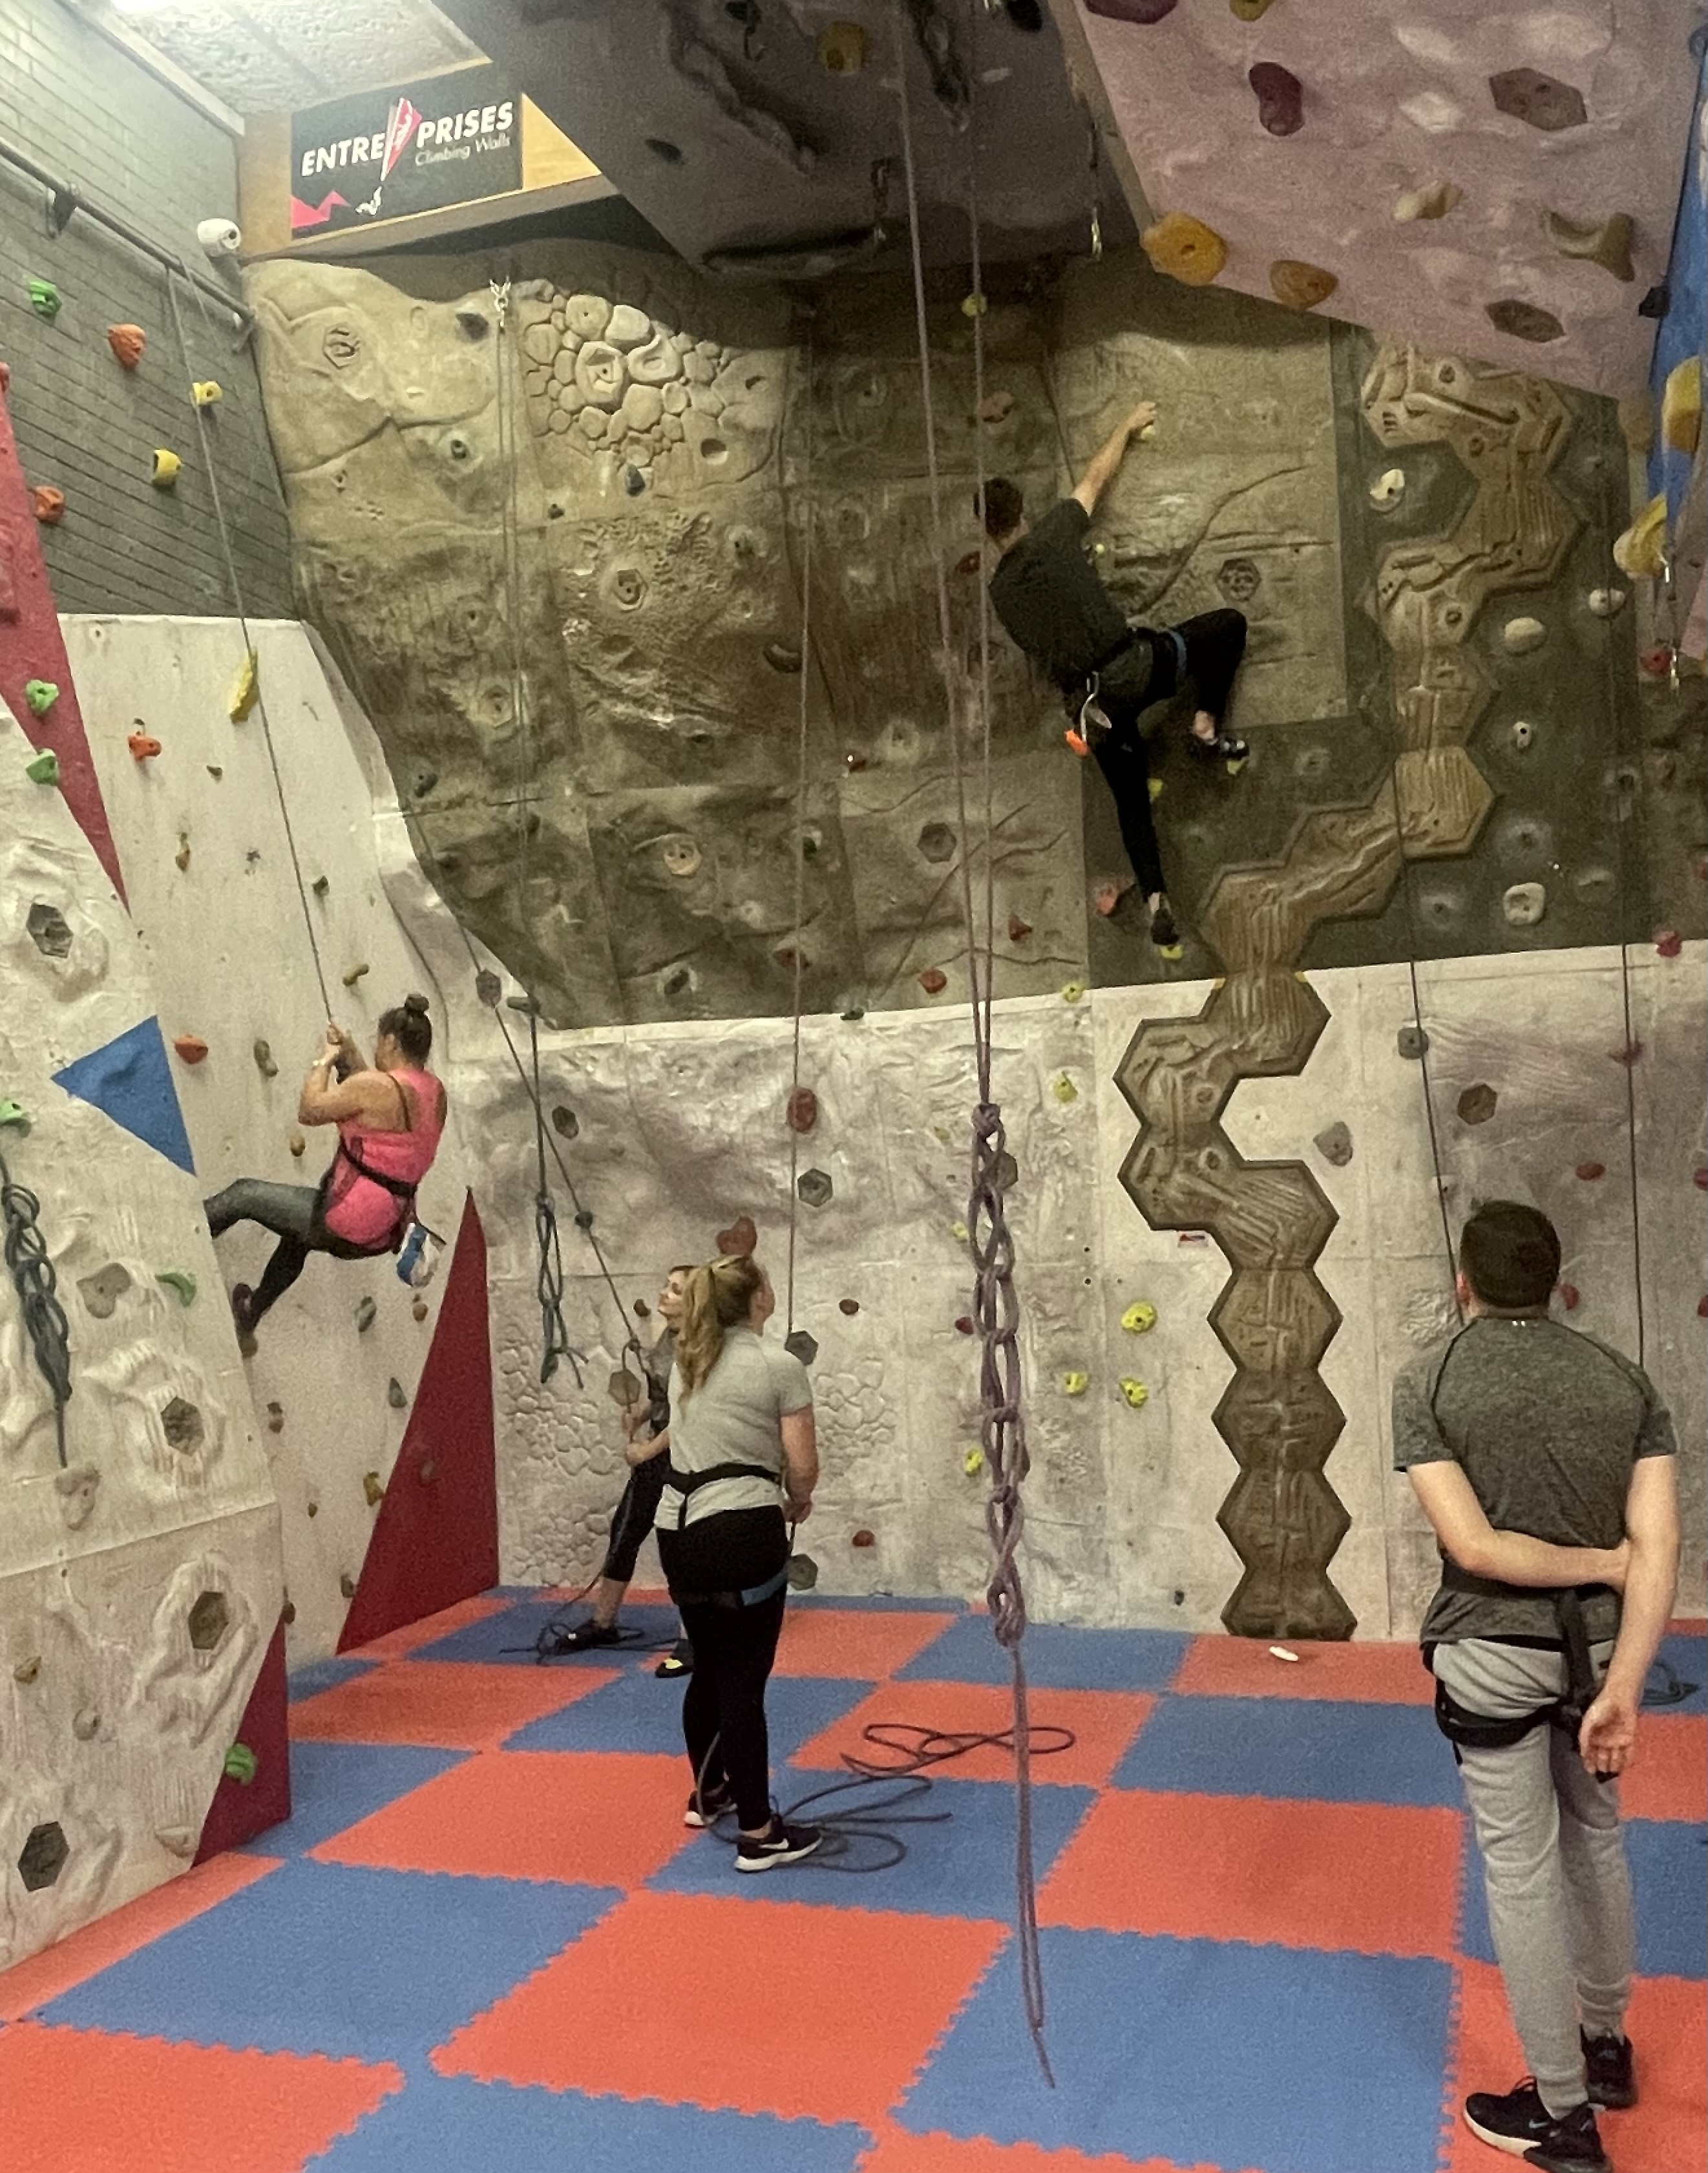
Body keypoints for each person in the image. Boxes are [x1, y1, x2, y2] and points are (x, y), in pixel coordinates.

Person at [1393, 1202, 1678, 2173]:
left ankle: (1562, 2117)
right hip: (1596, 1655)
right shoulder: (1621, 1377)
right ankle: (1605, 2049)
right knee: (1594, 1836)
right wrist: (1624, 1683)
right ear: (1557, 1284)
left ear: (1463, 1283)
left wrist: (1599, 1566)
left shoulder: (1428, 1376)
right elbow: (1657, 1548)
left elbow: (1473, 1547)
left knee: (1520, 1866)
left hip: (1492, 1651)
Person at [979, 402, 1250, 956]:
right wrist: (1126, 425)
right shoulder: (1054, 533)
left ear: (987, 532)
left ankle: (1155, 900)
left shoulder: (999, 594)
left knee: (1130, 800)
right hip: (1136, 668)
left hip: (1091, 710)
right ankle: (1204, 722)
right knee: (1227, 626)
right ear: (1022, 513)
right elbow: (1095, 480)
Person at [654, 1253, 821, 1871]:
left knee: (706, 1667)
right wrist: (798, 1499)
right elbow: (802, 1465)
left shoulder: (688, 1360)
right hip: (739, 1528)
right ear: (756, 1300)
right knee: (742, 1682)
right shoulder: (779, 1366)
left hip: (677, 1530)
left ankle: (711, 1792)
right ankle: (759, 1832)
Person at [206, 995, 447, 1336]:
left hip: (349, 1218)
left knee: (244, 1195)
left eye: (379, 1041)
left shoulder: (379, 1088)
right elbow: (383, 1106)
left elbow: (310, 1110)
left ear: (392, 1042)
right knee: (298, 1238)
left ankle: (187, 1233)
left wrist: (326, 1059)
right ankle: (251, 1311)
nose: (377, 1048)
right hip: (385, 1225)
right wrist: (352, 1056)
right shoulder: (435, 1093)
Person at [552, 1264, 697, 1675]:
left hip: (685, 1457)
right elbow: (664, 1397)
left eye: (676, 1290)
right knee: (626, 1530)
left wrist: (647, 1449)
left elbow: (689, 1414)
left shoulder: (698, 1348)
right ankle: (604, 1622)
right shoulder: (667, 1339)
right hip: (657, 1456)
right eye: (666, 1286)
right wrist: (642, 1414)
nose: (664, 1294)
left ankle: (692, 1638)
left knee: (678, 1546)